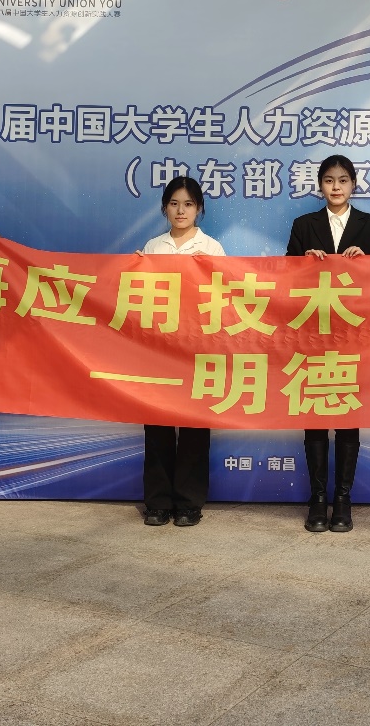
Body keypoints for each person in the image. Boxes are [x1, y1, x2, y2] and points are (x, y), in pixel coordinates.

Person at [286, 154, 370, 532]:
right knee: (314, 417)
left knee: (347, 418)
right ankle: (318, 499)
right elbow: (285, 280)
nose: (336, 187)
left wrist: (366, 261)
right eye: (329, 180)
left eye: (343, 180)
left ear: (354, 184)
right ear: (320, 185)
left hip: (353, 335)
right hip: (313, 333)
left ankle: (343, 500)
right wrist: (303, 262)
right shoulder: (304, 225)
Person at [135, 176, 224, 528]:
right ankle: (157, 502)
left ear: (199, 208)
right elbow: (139, 297)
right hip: (158, 348)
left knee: (194, 427)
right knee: (157, 425)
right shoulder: (152, 247)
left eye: (188, 204)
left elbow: (224, 299)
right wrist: (133, 269)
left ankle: (189, 502)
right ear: (164, 208)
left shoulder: (212, 248)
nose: (181, 210)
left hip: (197, 348)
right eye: (174, 203)